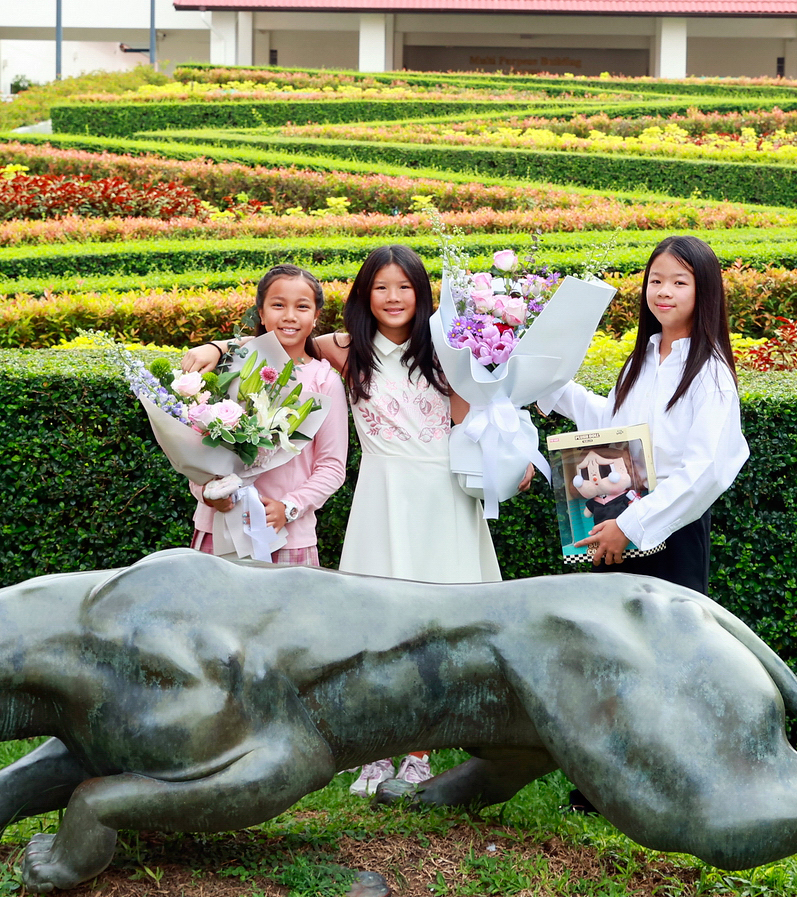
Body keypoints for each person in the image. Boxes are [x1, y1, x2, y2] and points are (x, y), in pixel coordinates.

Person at [184, 245, 499, 794]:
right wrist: (216, 347)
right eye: (381, 287)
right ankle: (378, 749)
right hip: (381, 496)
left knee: (438, 625)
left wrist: (507, 463)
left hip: (441, 498)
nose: (394, 297)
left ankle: (422, 748)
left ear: (423, 296)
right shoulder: (347, 351)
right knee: (376, 627)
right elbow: (281, 339)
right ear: (364, 296)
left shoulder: (449, 354)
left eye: (405, 287)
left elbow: (482, 422)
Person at [536, 235, 748, 597]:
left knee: (666, 644)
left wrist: (633, 523)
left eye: (680, 282)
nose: (665, 291)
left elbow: (707, 469)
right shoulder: (641, 360)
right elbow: (613, 432)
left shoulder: (711, 374)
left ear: (705, 291)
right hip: (618, 525)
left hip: (669, 529)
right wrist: (540, 379)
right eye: (656, 280)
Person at [184, 264, 347, 568]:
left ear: (315, 317)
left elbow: (332, 466)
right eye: (277, 305)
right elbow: (196, 451)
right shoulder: (230, 371)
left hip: (287, 536)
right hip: (217, 527)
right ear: (261, 312)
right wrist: (207, 493)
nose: (289, 315)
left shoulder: (323, 381)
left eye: (302, 306)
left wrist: (290, 507)